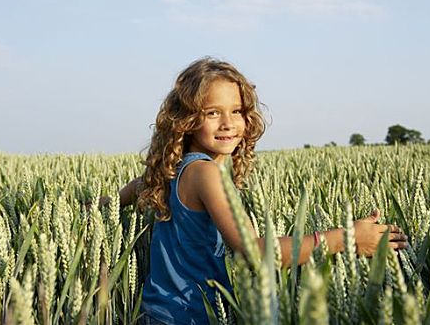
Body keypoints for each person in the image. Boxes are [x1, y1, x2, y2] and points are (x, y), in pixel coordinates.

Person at [113, 57, 408, 325]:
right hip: (189, 317)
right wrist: (346, 238)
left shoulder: (172, 169)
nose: (228, 123)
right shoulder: (205, 174)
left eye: (237, 111)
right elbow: (254, 253)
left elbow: (136, 186)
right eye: (213, 112)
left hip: (157, 312)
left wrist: (101, 205)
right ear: (186, 120)